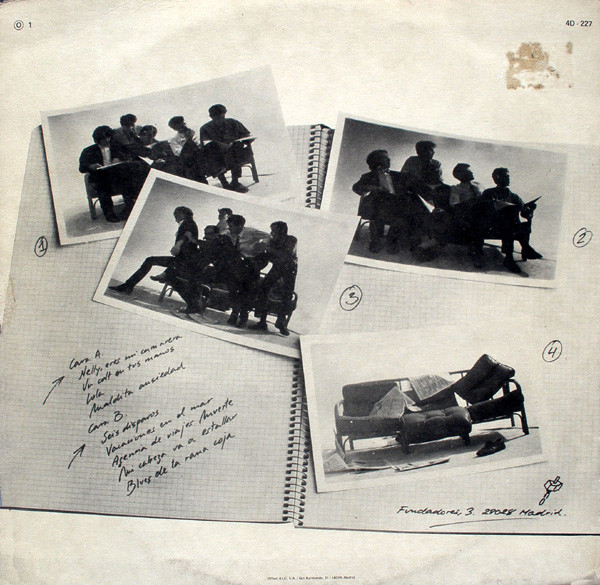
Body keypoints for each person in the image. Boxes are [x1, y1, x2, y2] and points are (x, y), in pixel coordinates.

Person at [108, 206, 198, 294]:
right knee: (150, 260)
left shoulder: (188, 223)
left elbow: (187, 235)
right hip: (182, 260)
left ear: (183, 214)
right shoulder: (188, 223)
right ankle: (130, 285)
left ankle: (128, 286)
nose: (175, 216)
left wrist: (178, 244)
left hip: (184, 262)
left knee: (150, 260)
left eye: (176, 213)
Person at [352, 149, 428, 253]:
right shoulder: (368, 176)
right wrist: (373, 187)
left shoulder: (397, 175)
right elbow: (356, 187)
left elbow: (408, 186)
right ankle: (377, 240)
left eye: (388, 158)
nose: (389, 160)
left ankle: (393, 239)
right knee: (384, 209)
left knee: (409, 202)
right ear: (377, 161)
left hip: (396, 205)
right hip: (378, 205)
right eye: (385, 158)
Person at [79, 125, 149, 222]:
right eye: (103, 138)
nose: (106, 140)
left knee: (129, 179)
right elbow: (82, 168)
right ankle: (109, 213)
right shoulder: (88, 150)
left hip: (117, 175)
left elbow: (128, 156)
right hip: (101, 177)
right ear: (97, 139)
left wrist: (119, 158)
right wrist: (91, 166)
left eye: (108, 137)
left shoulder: (116, 146)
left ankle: (129, 208)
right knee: (102, 184)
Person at [479, 167, 542, 274]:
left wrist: (529, 209)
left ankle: (520, 252)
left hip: (510, 226)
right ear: (497, 178)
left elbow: (523, 211)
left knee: (517, 223)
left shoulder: (513, 196)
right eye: (506, 176)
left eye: (509, 176)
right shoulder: (489, 193)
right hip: (493, 226)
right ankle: (521, 251)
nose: (509, 179)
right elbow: (484, 210)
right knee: (509, 218)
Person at [250, 221, 297, 336]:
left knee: (287, 295)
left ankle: (281, 321)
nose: (271, 233)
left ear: (281, 231)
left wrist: (267, 248)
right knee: (263, 289)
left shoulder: (291, 239)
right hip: (277, 268)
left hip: (290, 269)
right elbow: (268, 256)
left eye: (274, 231)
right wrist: (257, 248)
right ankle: (262, 321)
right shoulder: (272, 241)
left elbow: (286, 255)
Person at [200, 104, 252, 193]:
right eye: (217, 118)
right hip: (217, 155)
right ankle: (224, 183)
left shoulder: (233, 123)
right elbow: (204, 144)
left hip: (234, 151)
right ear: (211, 117)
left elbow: (246, 135)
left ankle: (235, 182)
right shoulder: (205, 128)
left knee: (236, 147)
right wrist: (219, 144)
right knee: (209, 151)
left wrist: (242, 141)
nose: (220, 120)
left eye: (222, 117)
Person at [163, 116, 208, 183]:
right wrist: (189, 140)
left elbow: (202, 143)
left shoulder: (195, 131)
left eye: (183, 124)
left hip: (202, 154)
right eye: (179, 126)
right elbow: (179, 153)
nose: (183, 127)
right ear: (174, 128)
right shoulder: (174, 140)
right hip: (190, 161)